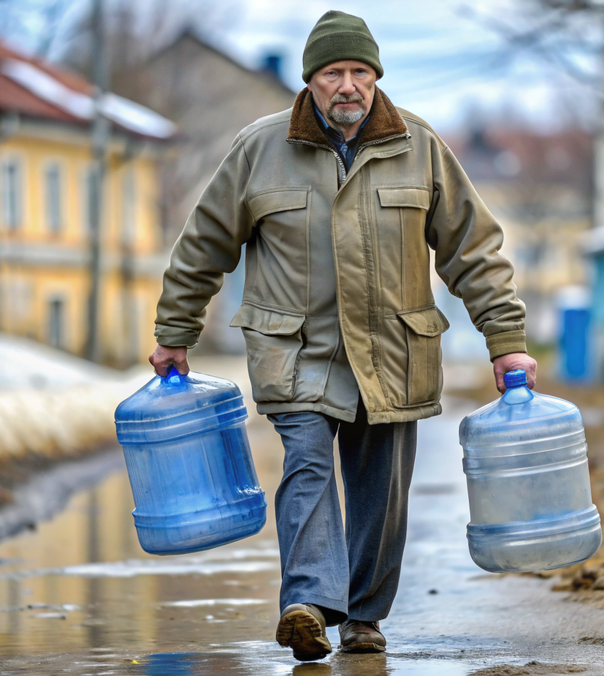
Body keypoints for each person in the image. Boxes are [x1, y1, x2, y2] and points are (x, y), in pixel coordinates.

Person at [148, 10, 537, 662]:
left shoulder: (421, 146)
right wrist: (176, 330)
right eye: (334, 72)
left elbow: (473, 250)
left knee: (380, 491)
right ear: (310, 81)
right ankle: (306, 602)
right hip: (295, 347)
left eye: (360, 71)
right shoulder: (260, 148)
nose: (348, 85)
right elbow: (203, 245)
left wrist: (507, 339)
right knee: (306, 467)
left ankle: (362, 617)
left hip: (392, 348)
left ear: (376, 77)